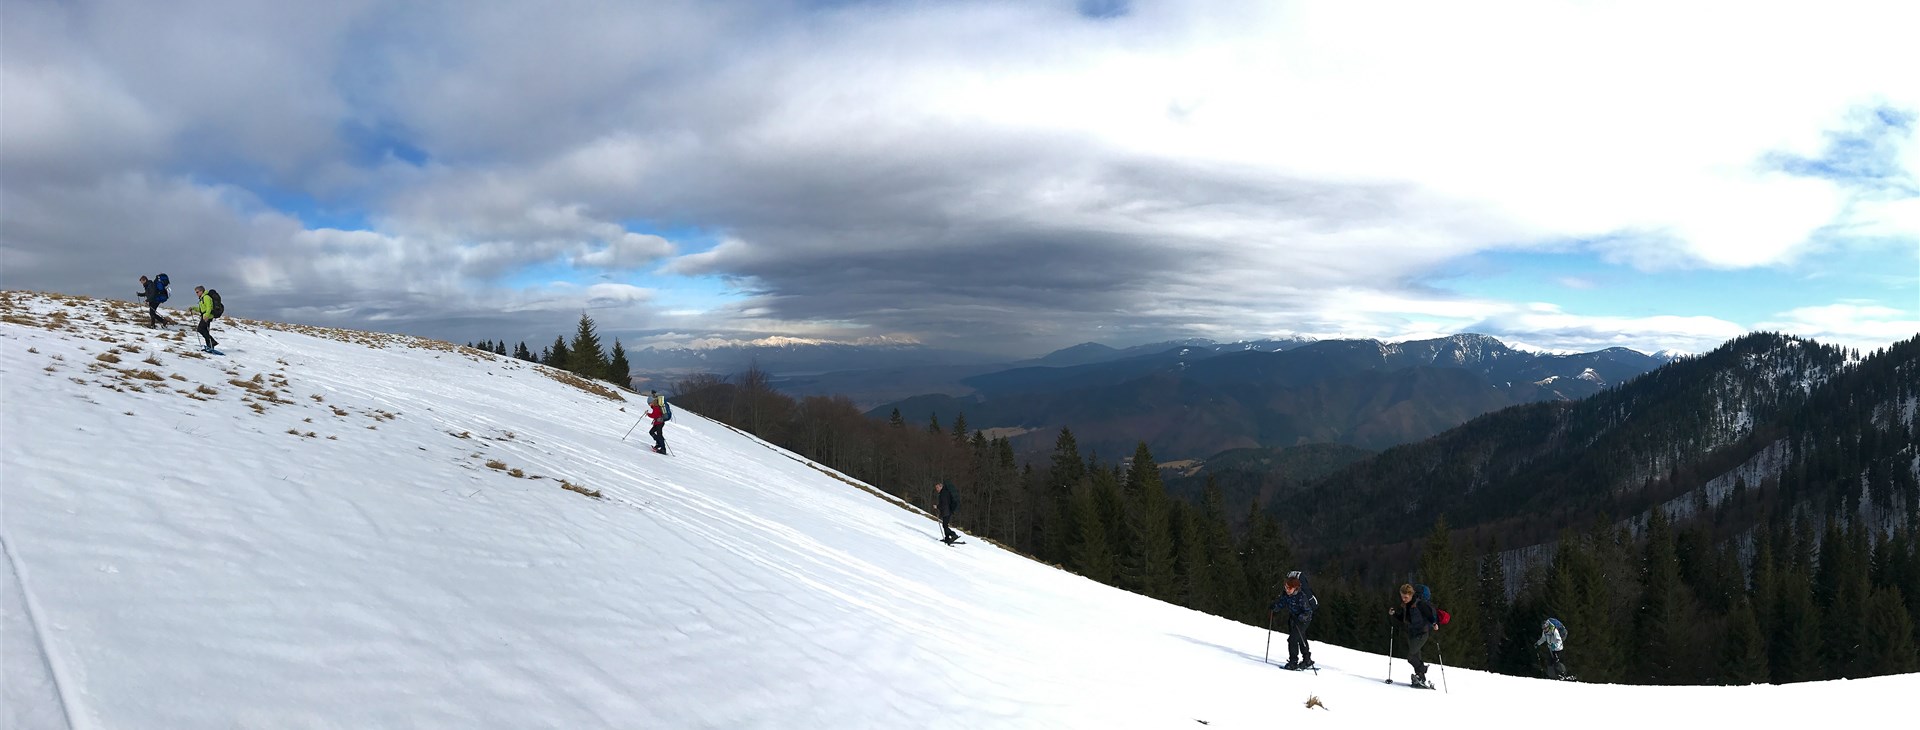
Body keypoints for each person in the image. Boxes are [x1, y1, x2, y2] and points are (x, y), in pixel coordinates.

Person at [1389, 583, 1440, 688]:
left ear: (1411, 594)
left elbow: (1429, 615)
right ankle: (1420, 677)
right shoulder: (1406, 605)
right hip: (1412, 633)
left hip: (1422, 633)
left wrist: (1434, 623)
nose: (1403, 599)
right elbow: (1404, 620)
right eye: (1402, 597)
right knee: (1416, 656)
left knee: (1411, 657)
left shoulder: (1419, 604)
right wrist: (1394, 614)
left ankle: (1423, 670)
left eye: (1406, 597)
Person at [1269, 570, 1319, 670]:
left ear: (1295, 588)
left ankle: (1293, 662)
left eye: (1289, 588)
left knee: (1292, 639)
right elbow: (1281, 603)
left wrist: (1300, 618)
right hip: (1294, 619)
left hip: (1303, 620)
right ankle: (1307, 660)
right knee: (1301, 638)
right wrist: (1274, 608)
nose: (1287, 589)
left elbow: (1308, 612)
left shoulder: (1301, 597)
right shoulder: (1287, 595)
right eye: (1286, 587)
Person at [189, 285, 219, 352]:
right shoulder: (202, 298)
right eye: (196, 292)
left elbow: (209, 307)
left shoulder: (206, 297)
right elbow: (201, 309)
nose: (196, 294)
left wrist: (207, 316)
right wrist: (193, 308)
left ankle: (212, 342)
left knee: (200, 329)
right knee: (205, 330)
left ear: (201, 291)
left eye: (197, 292)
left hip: (207, 316)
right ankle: (210, 345)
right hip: (205, 315)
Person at [933, 479, 959, 543]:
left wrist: (937, 507)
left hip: (946, 511)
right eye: (936, 488)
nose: (937, 489)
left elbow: (944, 503)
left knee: (945, 525)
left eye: (937, 487)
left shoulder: (943, 493)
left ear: (941, 486)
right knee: (945, 525)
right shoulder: (944, 492)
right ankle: (947, 538)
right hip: (947, 511)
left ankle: (953, 535)